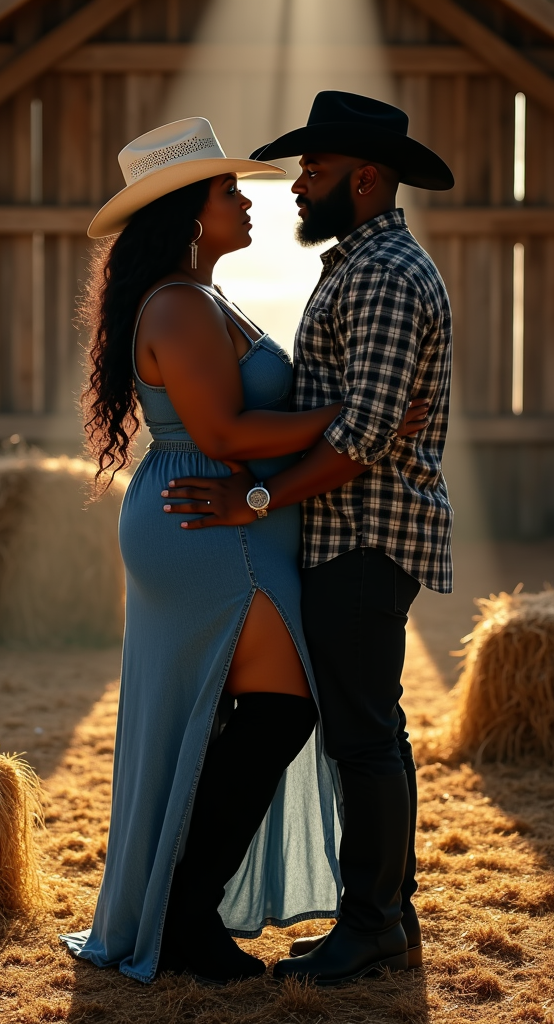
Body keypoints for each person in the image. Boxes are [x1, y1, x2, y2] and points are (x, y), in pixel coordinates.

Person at [60, 116, 425, 986]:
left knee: (239, 716)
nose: (248, 197)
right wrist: (354, 426)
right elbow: (223, 429)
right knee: (281, 710)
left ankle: (183, 908)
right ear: (190, 210)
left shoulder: (202, 297)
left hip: (224, 518)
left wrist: (340, 432)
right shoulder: (180, 304)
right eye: (228, 190)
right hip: (209, 520)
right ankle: (184, 914)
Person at [161, 93, 454, 986]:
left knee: (363, 737)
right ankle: (386, 917)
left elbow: (362, 434)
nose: (298, 189)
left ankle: (370, 926)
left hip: (366, 536)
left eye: (315, 174)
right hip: (349, 536)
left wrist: (256, 497)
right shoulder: (358, 265)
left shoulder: (383, 276)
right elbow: (356, 414)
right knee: (371, 732)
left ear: (365, 179)